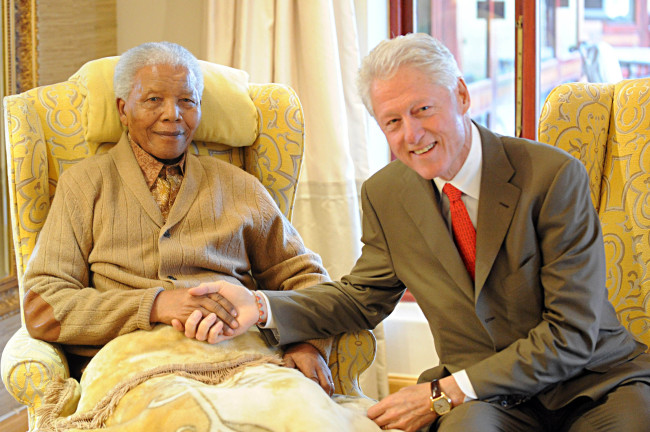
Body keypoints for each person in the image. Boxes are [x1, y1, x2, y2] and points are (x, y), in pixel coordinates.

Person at [185, 34, 650, 431]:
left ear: (462, 96)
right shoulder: (386, 195)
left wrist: (443, 392)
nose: (411, 134)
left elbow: (572, 334)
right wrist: (262, 306)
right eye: (393, 121)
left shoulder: (551, 176)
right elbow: (361, 298)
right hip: (488, 402)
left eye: (423, 109)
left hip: (593, 381)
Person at [22, 41, 335, 396]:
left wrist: (305, 344)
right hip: (132, 368)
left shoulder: (240, 186)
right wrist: (155, 304)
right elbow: (44, 304)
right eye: (153, 99)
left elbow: (308, 279)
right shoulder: (83, 185)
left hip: (244, 360)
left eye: (188, 101)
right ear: (123, 109)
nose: (173, 114)